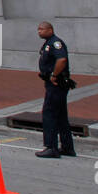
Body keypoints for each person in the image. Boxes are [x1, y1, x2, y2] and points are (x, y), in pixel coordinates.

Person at [36, 21, 76, 158]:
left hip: (56, 84)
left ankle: (51, 147)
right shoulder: (48, 43)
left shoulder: (55, 43)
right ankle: (67, 147)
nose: (39, 31)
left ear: (50, 30)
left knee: (49, 114)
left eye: (42, 29)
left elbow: (62, 60)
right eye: (38, 29)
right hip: (54, 83)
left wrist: (54, 75)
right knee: (60, 116)